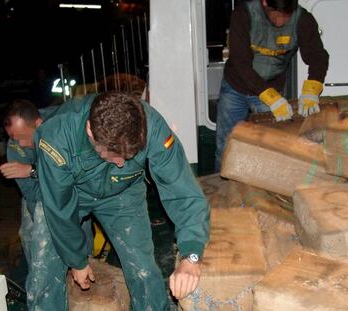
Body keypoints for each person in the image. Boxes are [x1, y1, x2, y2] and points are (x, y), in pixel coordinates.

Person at [35, 92, 210, 310]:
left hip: (123, 193)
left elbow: (182, 190)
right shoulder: (57, 136)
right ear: (90, 129)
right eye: (110, 155)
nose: (119, 163)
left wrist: (191, 256)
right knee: (44, 276)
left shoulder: (152, 126)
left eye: (128, 157)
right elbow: (59, 209)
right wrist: (77, 261)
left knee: (143, 271)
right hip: (71, 193)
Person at [0, 99, 93, 311]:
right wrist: (45, 234)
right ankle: (42, 280)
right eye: (13, 138)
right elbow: (32, 195)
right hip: (37, 190)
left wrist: (31, 170)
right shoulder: (16, 148)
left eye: (23, 137)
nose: (20, 144)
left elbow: (73, 178)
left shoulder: (64, 127)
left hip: (72, 186)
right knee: (32, 236)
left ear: (39, 123)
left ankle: (84, 261)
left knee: (77, 224)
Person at [214, 0, 329, 172]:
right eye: (277, 15)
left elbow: (318, 57)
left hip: (272, 87)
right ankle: (221, 194)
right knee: (225, 145)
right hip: (235, 88)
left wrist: (312, 90)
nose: (281, 22)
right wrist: (272, 98)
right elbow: (240, 63)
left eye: (286, 16)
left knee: (270, 148)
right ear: (265, 2)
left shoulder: (302, 19)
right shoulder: (243, 14)